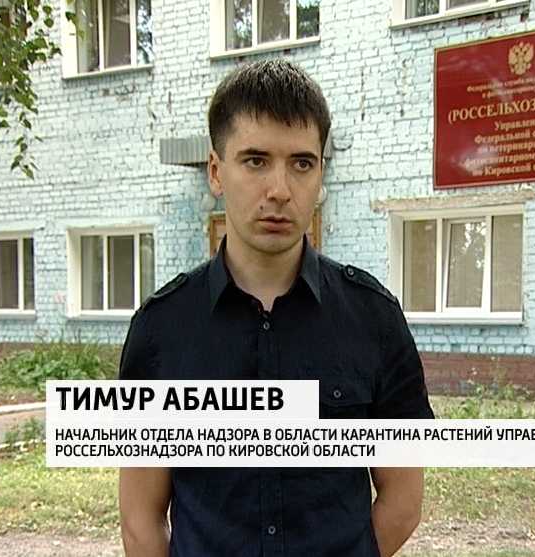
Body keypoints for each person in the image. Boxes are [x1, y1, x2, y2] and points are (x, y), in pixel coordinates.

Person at [118, 59, 434, 557]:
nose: (280, 190)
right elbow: (141, 519)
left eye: (301, 163)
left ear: (320, 172)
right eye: (255, 160)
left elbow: (403, 501)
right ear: (216, 172)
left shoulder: (373, 318)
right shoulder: (161, 329)